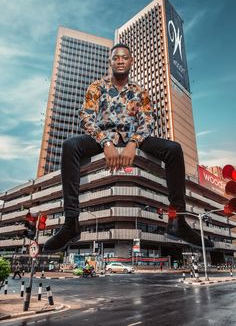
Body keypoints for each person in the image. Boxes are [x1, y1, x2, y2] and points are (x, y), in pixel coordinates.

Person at [43, 43, 213, 253]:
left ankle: (178, 221)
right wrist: (105, 142)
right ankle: (71, 223)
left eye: (125, 57)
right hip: (102, 136)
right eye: (116, 58)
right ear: (110, 62)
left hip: (134, 137)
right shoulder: (97, 87)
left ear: (131, 61)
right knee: (70, 145)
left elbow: (148, 120)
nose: (120, 60)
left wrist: (133, 142)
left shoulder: (140, 92)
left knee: (174, 149)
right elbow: (86, 116)